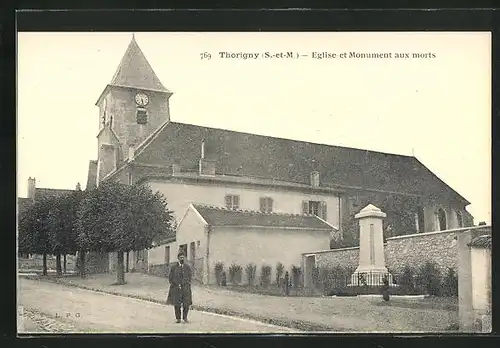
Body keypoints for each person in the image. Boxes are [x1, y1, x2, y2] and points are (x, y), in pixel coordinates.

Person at [167, 252, 193, 323]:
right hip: (177, 288)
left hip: (185, 288)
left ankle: (185, 317)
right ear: (178, 258)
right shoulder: (174, 267)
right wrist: (175, 284)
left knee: (186, 304)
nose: (182, 259)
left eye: (183, 257)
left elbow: (189, 276)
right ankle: (178, 318)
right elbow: (170, 278)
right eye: (181, 257)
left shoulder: (187, 267)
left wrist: (187, 284)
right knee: (177, 304)